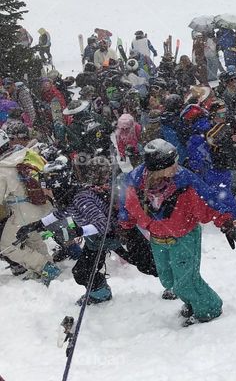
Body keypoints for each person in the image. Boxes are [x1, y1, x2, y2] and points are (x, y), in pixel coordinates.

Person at [119, 139, 236, 325]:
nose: (176, 167)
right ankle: (192, 301)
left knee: (187, 280)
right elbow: (127, 205)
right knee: (168, 279)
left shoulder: (183, 182)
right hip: (157, 239)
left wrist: (226, 223)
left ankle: (208, 309)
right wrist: (125, 224)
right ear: (158, 168)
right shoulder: (135, 183)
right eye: (171, 164)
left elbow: (209, 201)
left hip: (184, 237)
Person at [20, 155, 157, 304]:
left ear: (57, 186)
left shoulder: (81, 198)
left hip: (119, 235)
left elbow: (103, 224)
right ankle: (101, 293)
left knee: (148, 264)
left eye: (47, 188)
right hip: (97, 241)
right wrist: (35, 225)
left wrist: (79, 231)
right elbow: (60, 213)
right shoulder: (69, 196)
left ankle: (176, 283)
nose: (45, 192)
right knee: (82, 272)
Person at [0, 129, 58, 283]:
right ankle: (47, 265)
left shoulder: (2, 169)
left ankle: (44, 267)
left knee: (6, 245)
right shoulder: (24, 153)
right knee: (32, 236)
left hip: (24, 212)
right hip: (43, 204)